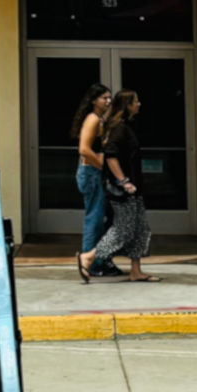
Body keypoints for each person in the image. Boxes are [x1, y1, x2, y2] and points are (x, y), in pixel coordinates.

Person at [77, 90, 159, 284]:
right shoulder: (119, 128)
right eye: (135, 101)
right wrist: (123, 181)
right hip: (124, 188)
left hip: (134, 185)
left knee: (140, 229)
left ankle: (136, 270)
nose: (139, 104)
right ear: (127, 105)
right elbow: (111, 156)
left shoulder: (126, 125)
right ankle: (89, 257)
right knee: (123, 229)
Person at [70, 83, 123, 278]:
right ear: (93, 100)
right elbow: (84, 149)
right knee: (95, 218)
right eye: (104, 98)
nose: (108, 101)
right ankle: (90, 263)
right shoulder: (92, 119)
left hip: (95, 173)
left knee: (104, 218)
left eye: (109, 98)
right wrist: (101, 164)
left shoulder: (100, 119)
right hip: (91, 173)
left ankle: (100, 259)